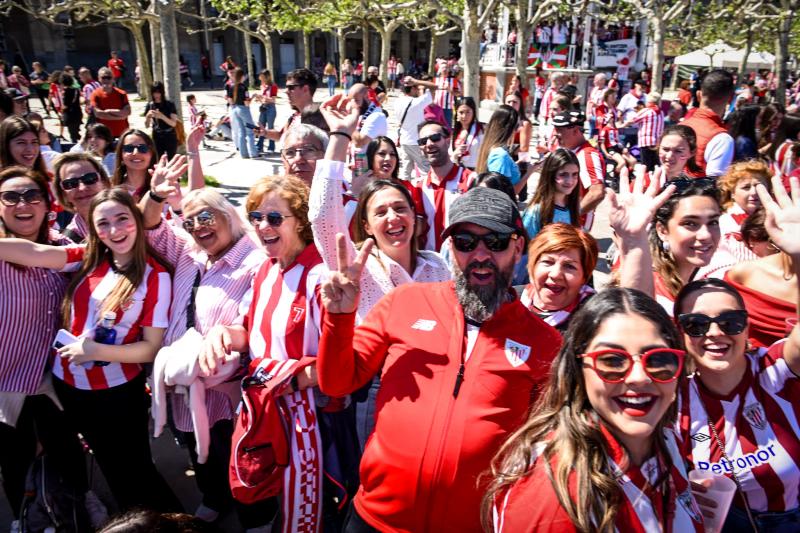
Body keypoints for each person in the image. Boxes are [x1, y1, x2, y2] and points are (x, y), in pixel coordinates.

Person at [316, 186, 562, 531]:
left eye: (495, 242)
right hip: (375, 518)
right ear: (451, 247)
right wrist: (339, 318)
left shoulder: (546, 343)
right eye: (465, 242)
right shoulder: (404, 302)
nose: (479, 254)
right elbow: (337, 383)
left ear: (518, 247)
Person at [0, 187, 183, 514]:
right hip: (69, 389)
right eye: (103, 224)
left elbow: (150, 348)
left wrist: (95, 349)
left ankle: (171, 522)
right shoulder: (89, 257)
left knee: (136, 471)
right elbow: (33, 251)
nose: (114, 230)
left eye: (122, 219)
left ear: (136, 221)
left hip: (115, 395)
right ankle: (133, 519)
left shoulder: (155, 277)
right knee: (111, 470)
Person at [199, 174, 360, 532]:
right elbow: (253, 334)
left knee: (318, 511)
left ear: (300, 221)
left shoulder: (320, 276)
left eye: (274, 218)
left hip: (314, 421)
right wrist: (223, 334)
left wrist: (287, 381)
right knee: (276, 501)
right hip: (269, 413)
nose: (262, 226)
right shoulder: (265, 271)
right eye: (256, 217)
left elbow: (343, 362)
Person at [488, 288, 702, 532]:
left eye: (659, 360)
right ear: (578, 369)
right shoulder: (552, 497)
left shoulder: (666, 440)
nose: (640, 377)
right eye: (611, 360)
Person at [310, 98, 451, 447]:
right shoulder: (357, 267)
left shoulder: (437, 265)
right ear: (368, 226)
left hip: (435, 385)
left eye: (400, 208)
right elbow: (322, 215)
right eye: (381, 212)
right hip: (374, 388)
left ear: (415, 220)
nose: (392, 218)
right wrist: (340, 134)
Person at [141, 162, 266, 524]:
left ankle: (254, 517)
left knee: (240, 458)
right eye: (190, 221)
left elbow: (254, 323)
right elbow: (150, 227)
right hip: (183, 386)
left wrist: (225, 339)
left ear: (228, 214)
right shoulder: (187, 252)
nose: (198, 226)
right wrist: (155, 194)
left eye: (206, 216)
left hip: (226, 389)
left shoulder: (255, 263)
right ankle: (213, 498)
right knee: (201, 454)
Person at [675, 177, 800, 530]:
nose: (715, 333)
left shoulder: (773, 371)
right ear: (681, 335)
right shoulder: (674, 394)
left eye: (730, 321)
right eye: (697, 324)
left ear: (748, 328)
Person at [0, 166, 105, 531]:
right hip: (6, 382)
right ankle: (24, 519)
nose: (22, 204)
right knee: (14, 458)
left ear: (48, 205)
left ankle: (77, 507)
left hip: (56, 377)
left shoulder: (63, 249)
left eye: (32, 196)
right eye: (10, 197)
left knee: (67, 450)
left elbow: (111, 245)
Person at [517, 223, 599, 331]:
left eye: (569, 266)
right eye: (548, 262)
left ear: (584, 277)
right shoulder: (507, 301)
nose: (555, 274)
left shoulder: (593, 320)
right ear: (532, 265)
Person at [551, 111, 606, 230]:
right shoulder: (571, 151)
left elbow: (597, 193)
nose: (556, 135)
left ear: (575, 131)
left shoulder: (587, 155)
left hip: (575, 225)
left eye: (560, 132)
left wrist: (570, 216)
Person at [714, 160, 770, 265]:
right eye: (746, 187)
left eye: (759, 186)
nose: (754, 192)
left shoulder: (777, 217)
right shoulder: (726, 223)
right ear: (732, 193)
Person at [682, 69, 735, 177]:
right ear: (730, 99)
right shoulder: (722, 139)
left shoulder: (680, 125)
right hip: (697, 192)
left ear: (698, 95)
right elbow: (715, 185)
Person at [521, 148, 581, 242]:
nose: (570, 181)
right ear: (550, 175)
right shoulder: (535, 211)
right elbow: (527, 251)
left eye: (574, 174)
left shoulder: (573, 207)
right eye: (563, 174)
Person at [53, 152, 111, 243]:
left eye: (89, 178)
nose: (82, 188)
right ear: (64, 194)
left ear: (104, 182)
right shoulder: (67, 242)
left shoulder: (132, 219)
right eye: (71, 183)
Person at [394, 75, 436, 179]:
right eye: (416, 88)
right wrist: (416, 81)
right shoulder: (416, 102)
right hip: (416, 141)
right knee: (425, 171)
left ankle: (405, 192)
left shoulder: (397, 101)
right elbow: (434, 87)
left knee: (405, 173)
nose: (418, 90)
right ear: (412, 88)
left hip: (404, 140)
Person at [476, 105, 524, 192]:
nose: (518, 130)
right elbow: (503, 193)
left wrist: (513, 164)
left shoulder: (492, 148)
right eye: (517, 126)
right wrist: (530, 172)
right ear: (509, 128)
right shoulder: (500, 155)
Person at [623, 91, 664, 172]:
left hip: (646, 142)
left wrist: (621, 125)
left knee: (646, 165)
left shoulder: (647, 111)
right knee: (655, 165)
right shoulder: (661, 112)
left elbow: (633, 120)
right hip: (657, 142)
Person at [111, 129, 157, 201]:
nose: (135, 153)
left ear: (152, 154)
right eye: (129, 148)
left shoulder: (162, 187)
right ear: (121, 155)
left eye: (142, 148)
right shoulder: (111, 190)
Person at [90, 67, 131, 139]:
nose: (106, 80)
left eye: (109, 77)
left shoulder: (121, 94)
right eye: (103, 77)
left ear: (113, 78)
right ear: (99, 79)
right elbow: (98, 114)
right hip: (104, 134)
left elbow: (127, 112)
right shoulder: (95, 94)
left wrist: (108, 111)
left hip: (122, 133)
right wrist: (120, 117)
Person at [144, 82, 179, 159]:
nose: (156, 95)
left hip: (170, 135)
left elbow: (173, 124)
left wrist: (162, 116)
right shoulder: (150, 105)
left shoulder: (169, 104)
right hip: (157, 136)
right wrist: (147, 117)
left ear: (162, 92)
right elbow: (146, 126)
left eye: (158, 92)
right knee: (159, 159)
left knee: (171, 159)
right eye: (154, 92)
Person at [451, 96, 483, 170]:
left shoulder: (480, 130)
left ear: (473, 112)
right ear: (457, 113)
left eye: (468, 112)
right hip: (459, 170)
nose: (464, 116)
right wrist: (455, 153)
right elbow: (450, 154)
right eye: (461, 112)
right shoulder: (455, 131)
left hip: (476, 170)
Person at [504, 91, 532, 164]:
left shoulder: (524, 124)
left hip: (517, 162)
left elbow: (524, 149)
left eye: (515, 102)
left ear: (520, 105)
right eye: (509, 102)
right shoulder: (502, 121)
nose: (511, 104)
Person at [617, 80, 646, 147]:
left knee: (636, 149)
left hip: (641, 129)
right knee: (622, 147)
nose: (643, 88)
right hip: (628, 128)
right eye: (641, 86)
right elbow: (619, 112)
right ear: (636, 85)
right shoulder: (628, 97)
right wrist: (621, 125)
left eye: (644, 87)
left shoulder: (646, 97)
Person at [255, 69, 278, 154]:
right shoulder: (262, 85)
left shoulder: (273, 86)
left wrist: (263, 97)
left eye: (262, 77)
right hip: (263, 107)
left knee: (270, 127)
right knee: (261, 126)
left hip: (270, 108)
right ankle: (259, 145)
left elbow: (273, 100)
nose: (260, 79)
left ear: (266, 77)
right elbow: (263, 98)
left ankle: (271, 146)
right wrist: (259, 99)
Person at [433, 62, 460, 127]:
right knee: (436, 126)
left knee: (447, 127)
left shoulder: (454, 81)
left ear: (449, 70)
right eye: (443, 67)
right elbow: (431, 93)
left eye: (446, 67)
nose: (444, 69)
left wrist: (450, 90)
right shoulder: (434, 80)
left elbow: (458, 94)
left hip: (447, 108)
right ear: (439, 70)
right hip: (436, 107)